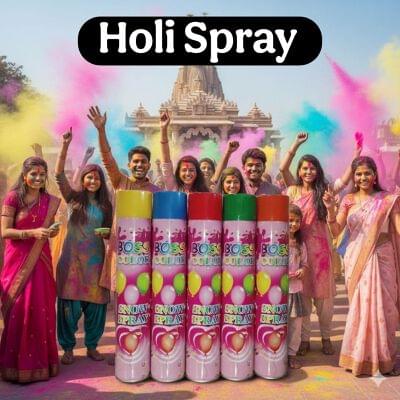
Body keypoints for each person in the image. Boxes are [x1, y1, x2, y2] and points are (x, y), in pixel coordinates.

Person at [279, 132, 361, 356]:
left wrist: (355, 155)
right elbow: (283, 168)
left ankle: (326, 337)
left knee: (325, 300)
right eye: (304, 168)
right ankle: (305, 339)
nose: (308, 172)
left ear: (318, 171)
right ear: (299, 171)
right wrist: (295, 144)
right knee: (303, 297)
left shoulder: (324, 191)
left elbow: (344, 180)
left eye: (312, 168)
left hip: (322, 253)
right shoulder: (293, 190)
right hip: (299, 252)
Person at [323, 156, 400, 376]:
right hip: (356, 257)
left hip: (382, 257)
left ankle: (384, 359)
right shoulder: (348, 200)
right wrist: (330, 209)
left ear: (375, 175)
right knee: (360, 307)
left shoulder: (388, 199)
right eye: (358, 174)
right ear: (354, 178)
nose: (363, 177)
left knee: (384, 308)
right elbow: (336, 231)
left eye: (367, 173)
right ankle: (358, 358)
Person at [87, 105, 160, 294]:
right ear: (129, 164)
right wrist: (101, 130)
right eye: (135, 161)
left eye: (143, 162)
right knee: (120, 297)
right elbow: (107, 159)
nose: (139, 165)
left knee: (142, 296)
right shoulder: (120, 182)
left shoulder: (157, 192)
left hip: (145, 252)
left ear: (148, 166)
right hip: (121, 248)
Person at [0, 157, 60, 383]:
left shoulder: (49, 200)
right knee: (19, 311)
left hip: (41, 262)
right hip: (17, 262)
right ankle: (15, 366)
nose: (38, 178)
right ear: (24, 176)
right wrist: (32, 233)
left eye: (42, 174)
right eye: (33, 174)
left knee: (42, 309)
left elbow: (48, 229)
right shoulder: (13, 197)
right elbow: (5, 232)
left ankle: (42, 364)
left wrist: (51, 232)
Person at [55, 129, 112, 365]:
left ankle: (92, 346)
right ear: (83, 179)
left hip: (96, 263)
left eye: (96, 178)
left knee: (96, 307)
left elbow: (111, 231)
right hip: (71, 262)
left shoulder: (106, 205)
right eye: (89, 177)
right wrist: (65, 146)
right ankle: (68, 348)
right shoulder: (73, 198)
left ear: (101, 182)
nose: (92, 181)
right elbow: (59, 175)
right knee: (68, 307)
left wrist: (107, 233)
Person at [159, 110, 208, 193]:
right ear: (178, 172)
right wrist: (163, 129)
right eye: (184, 170)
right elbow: (166, 163)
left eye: (191, 170)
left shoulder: (204, 191)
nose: (188, 173)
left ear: (197, 172)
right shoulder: (174, 187)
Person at [287, 204, 308, 369]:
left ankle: (291, 354)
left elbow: (305, 264)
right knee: (279, 324)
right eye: (290, 220)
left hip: (295, 290)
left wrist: (302, 270)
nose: (294, 224)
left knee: (295, 324)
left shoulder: (301, 244)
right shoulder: (275, 241)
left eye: (297, 221)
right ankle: (278, 353)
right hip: (278, 291)